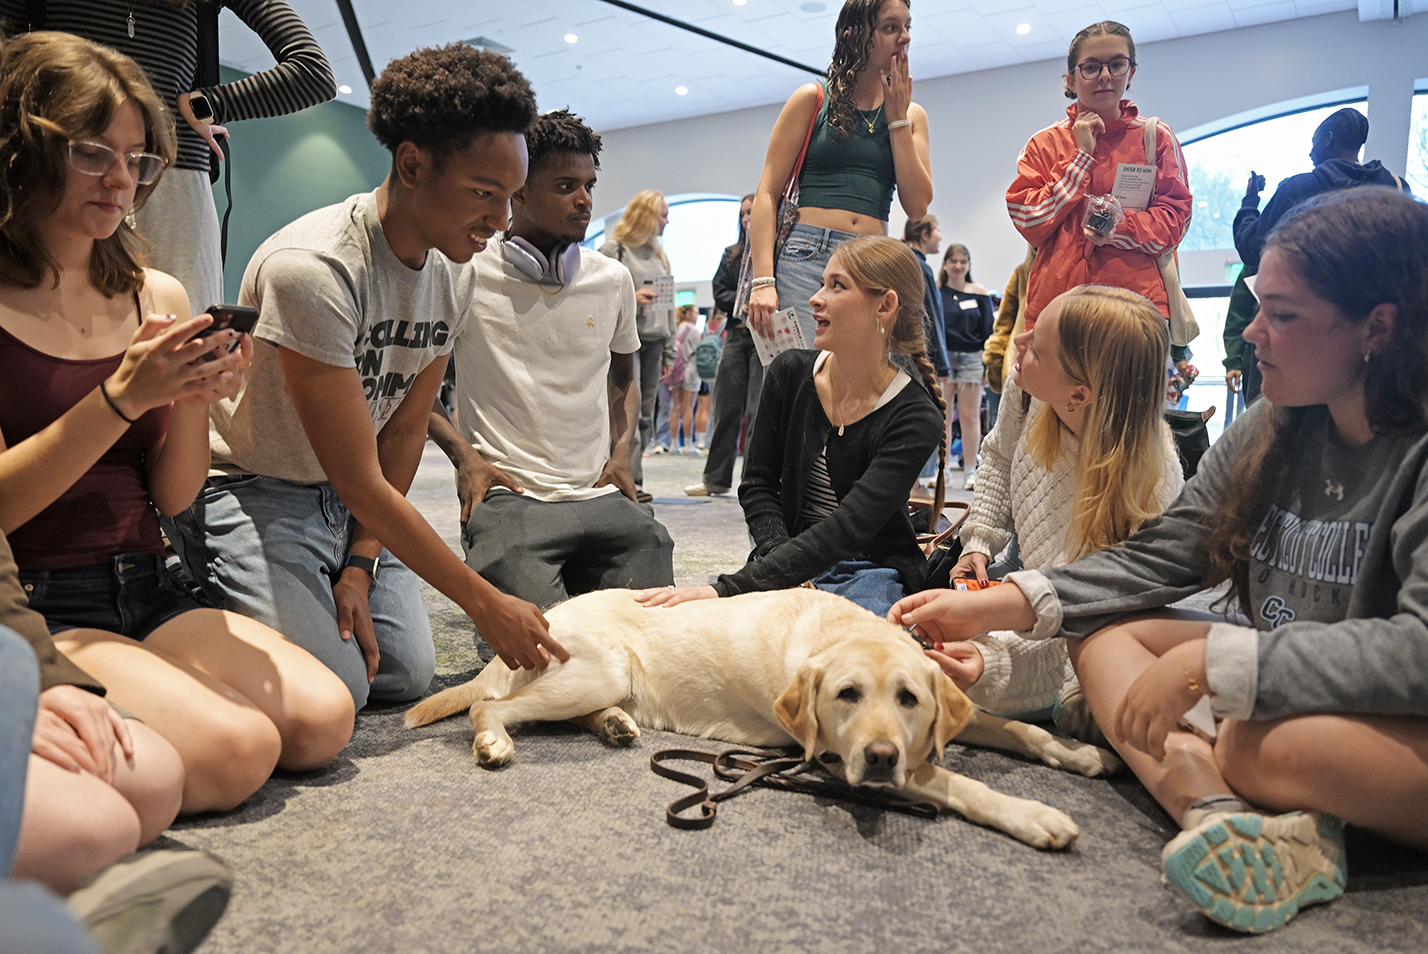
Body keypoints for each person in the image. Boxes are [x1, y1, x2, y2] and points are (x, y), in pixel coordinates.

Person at [890, 187, 1428, 934]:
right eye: (1257, 305)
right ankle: (1222, 817)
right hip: (1295, 677)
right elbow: (1168, 555)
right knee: (1102, 635)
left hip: (1396, 712)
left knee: (1255, 738)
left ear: (1379, 327)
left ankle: (1233, 780)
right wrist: (1004, 601)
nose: (1253, 336)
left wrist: (1214, 665)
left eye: (1285, 315)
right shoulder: (1273, 428)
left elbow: (1419, 649)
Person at [0, 31, 352, 813]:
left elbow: (175, 497)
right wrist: (120, 399)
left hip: (148, 579)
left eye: (139, 158)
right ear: (22, 148)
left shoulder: (153, 292)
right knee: (239, 751)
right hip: (37, 598)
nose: (121, 179)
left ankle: (135, 688)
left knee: (325, 719)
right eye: (93, 152)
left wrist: (191, 401)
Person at [163, 44, 569, 711]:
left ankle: (300, 600)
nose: (501, 222)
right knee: (339, 688)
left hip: (348, 499)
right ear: (413, 164)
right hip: (255, 489)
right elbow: (359, 475)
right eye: (483, 194)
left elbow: (406, 427)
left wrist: (361, 560)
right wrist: (482, 601)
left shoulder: (454, 273)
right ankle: (188, 593)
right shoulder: (313, 269)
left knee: (403, 676)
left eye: (511, 198)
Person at [426, 109, 674, 610]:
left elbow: (624, 374)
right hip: (509, 496)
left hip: (597, 492)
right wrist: (466, 460)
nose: (584, 201)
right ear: (517, 190)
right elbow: (416, 387)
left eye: (588, 185)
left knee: (656, 627)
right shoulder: (462, 272)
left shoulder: (612, 279)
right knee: (546, 646)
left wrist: (622, 455)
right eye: (565, 186)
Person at [639, 236, 945, 619]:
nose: (816, 298)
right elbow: (757, 487)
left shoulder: (915, 415)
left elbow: (849, 529)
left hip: (869, 570)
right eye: (822, 283)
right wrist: (780, 567)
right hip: (781, 555)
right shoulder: (789, 372)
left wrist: (728, 589)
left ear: (884, 305)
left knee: (856, 653)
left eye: (837, 286)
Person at [929, 286, 1182, 723]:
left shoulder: (1146, 490)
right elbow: (1000, 455)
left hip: (1086, 617)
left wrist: (988, 663)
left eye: (1037, 349)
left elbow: (1075, 628)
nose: (1018, 344)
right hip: (1029, 568)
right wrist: (978, 542)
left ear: (1079, 395)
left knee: (1075, 706)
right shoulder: (1027, 388)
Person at [0, 0, 337, 313]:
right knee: (49, 332)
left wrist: (208, 104)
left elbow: (313, 73)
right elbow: (8, 63)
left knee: (185, 347)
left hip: (172, 186)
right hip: (61, 171)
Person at [745, 0, 933, 349]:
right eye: (891, 27)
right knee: (800, 381)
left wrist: (897, 119)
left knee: (862, 384)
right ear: (858, 34)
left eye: (908, 26)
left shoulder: (912, 115)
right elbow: (767, 195)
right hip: (805, 256)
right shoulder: (812, 98)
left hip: (872, 259)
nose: (905, 37)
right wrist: (763, 281)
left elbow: (918, 206)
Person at [1006, 20, 1191, 335]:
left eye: (1116, 64)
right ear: (1071, 79)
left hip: (1134, 310)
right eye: (1091, 67)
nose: (1105, 76)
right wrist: (1081, 159)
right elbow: (1030, 222)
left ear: (1131, 72)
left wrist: (1116, 228)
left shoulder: (1155, 137)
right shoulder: (1043, 144)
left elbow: (1175, 222)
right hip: (1058, 309)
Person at [1225, 107, 1410, 402]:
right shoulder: (1396, 188)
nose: (1311, 153)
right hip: (1368, 335)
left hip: (1298, 332)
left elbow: (1252, 250)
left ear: (1328, 139)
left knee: (1276, 425)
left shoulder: (1299, 189)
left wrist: (1250, 201)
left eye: (1314, 142)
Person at [599, 190, 674, 503]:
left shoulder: (659, 254)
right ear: (646, 215)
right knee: (623, 412)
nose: (666, 221)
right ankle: (621, 475)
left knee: (645, 415)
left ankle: (635, 478)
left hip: (655, 341)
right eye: (663, 214)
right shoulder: (614, 249)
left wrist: (670, 349)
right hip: (625, 342)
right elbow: (596, 294)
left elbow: (668, 305)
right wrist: (633, 297)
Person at [687, 194, 761, 497]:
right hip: (736, 337)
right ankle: (714, 479)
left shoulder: (777, 254)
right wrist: (749, 302)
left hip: (764, 340)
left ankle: (755, 484)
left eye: (753, 213)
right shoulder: (730, 255)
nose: (748, 218)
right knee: (726, 409)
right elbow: (720, 293)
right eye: (744, 213)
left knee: (759, 412)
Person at [938, 243, 995, 489]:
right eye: (954, 261)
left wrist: (986, 365)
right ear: (945, 264)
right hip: (944, 359)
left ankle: (971, 471)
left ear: (969, 265)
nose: (959, 266)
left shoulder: (979, 292)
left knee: (970, 417)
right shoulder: (937, 291)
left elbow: (988, 332)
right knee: (944, 416)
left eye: (963, 261)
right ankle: (943, 470)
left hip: (972, 358)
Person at [666, 304, 703, 453]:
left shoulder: (675, 328)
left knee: (676, 407)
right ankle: (688, 444)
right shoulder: (693, 330)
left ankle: (673, 445)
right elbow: (699, 350)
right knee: (688, 407)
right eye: (695, 312)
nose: (698, 315)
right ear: (688, 314)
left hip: (676, 370)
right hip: (691, 370)